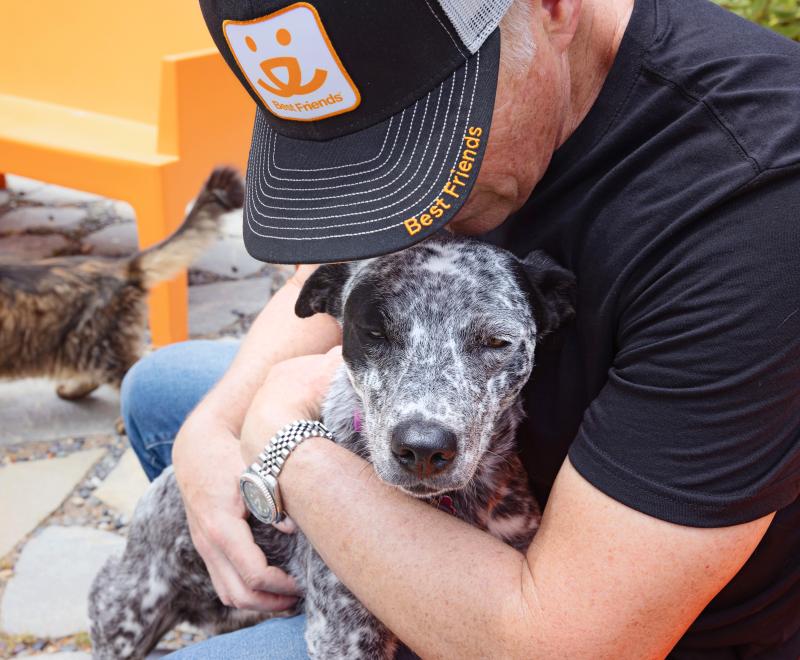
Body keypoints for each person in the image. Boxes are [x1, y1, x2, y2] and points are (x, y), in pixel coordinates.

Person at [122, 0, 800, 657]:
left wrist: (280, 445)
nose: (399, 201)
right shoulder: (498, 78)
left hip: (595, 614)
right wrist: (212, 434)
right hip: (473, 470)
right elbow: (336, 276)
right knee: (161, 395)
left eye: (419, 140)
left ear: (551, 7)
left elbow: (563, 645)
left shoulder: (755, 212)